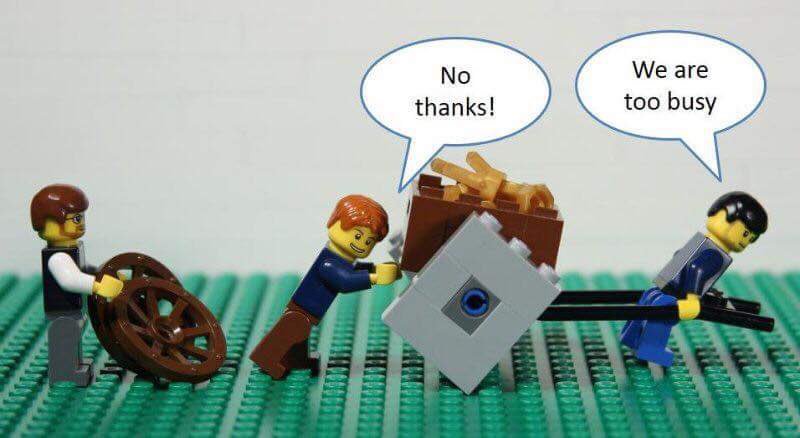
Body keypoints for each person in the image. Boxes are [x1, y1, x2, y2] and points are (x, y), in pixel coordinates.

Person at [249, 194, 401, 379]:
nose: (362, 244)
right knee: (290, 333)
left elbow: (351, 270)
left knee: (299, 338)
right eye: (358, 235)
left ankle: (297, 360)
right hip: (303, 309)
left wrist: (376, 269)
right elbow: (345, 281)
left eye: (369, 241)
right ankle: (266, 359)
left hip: (308, 311)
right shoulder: (328, 263)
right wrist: (375, 277)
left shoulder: (340, 260)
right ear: (333, 223)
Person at [620, 191, 768, 366]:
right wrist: (692, 299)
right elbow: (696, 269)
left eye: (751, 239)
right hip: (675, 295)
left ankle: (630, 336)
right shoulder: (716, 253)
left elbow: (679, 256)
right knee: (664, 317)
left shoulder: (700, 241)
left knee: (647, 302)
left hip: (665, 286)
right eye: (745, 233)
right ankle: (651, 350)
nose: (746, 241)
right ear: (726, 219)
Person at [31, 184, 123, 386]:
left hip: (74, 308)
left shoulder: (73, 249)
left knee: (73, 335)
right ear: (50, 223)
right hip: (62, 310)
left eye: (81, 217)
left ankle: (75, 365)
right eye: (75, 219)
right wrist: (97, 286)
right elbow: (70, 279)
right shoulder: (57, 257)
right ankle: (65, 373)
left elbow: (83, 270)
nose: (81, 223)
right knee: (64, 337)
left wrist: (102, 274)